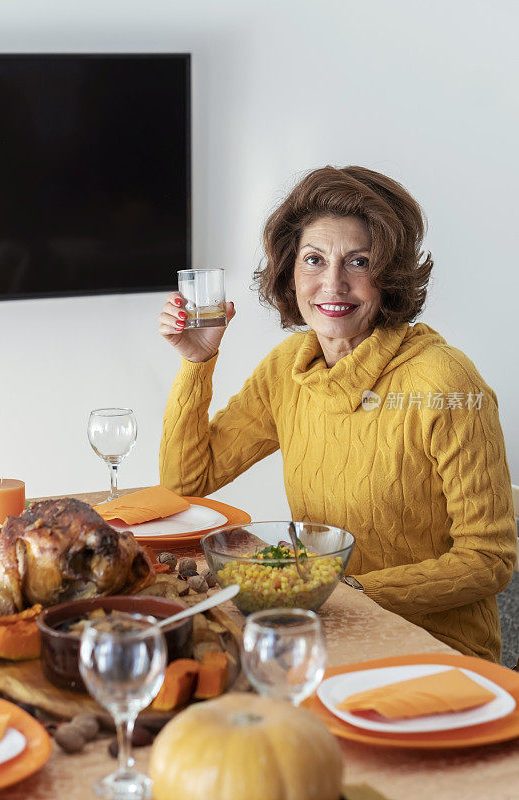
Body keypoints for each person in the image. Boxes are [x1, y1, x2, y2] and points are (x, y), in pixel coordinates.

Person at [157, 165, 516, 662]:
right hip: (325, 629)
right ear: (289, 274)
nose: (333, 283)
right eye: (313, 260)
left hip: (435, 650)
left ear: (389, 275)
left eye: (359, 261)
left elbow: (489, 560)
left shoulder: (445, 384)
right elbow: (186, 478)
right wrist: (197, 362)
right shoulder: (290, 368)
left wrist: (346, 590)